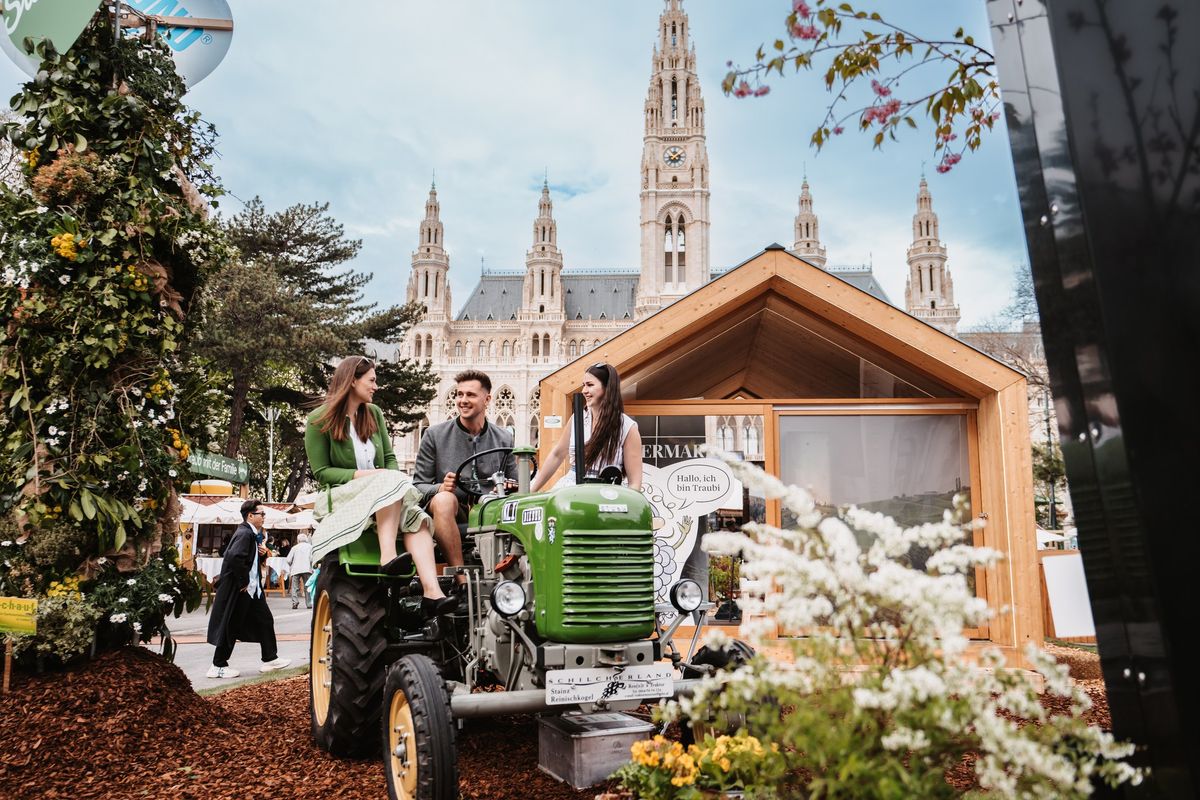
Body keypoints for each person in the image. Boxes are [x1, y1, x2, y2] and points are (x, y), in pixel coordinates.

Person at [304, 356, 457, 618]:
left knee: (417, 520)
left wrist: (389, 478)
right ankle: (388, 558)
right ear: (352, 380)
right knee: (388, 482)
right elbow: (323, 473)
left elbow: (389, 459)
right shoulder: (319, 420)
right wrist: (370, 476)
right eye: (372, 380)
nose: (376, 386)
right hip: (344, 493)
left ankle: (432, 593)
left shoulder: (373, 414)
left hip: (383, 493)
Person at [413, 370, 517, 586]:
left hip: (491, 511)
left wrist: (509, 487)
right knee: (443, 500)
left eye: (470, 395)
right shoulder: (434, 435)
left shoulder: (504, 438)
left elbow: (517, 487)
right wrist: (440, 488)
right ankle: (461, 582)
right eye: (459, 395)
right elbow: (418, 486)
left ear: (487, 399)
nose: (462, 400)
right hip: (453, 511)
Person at [205, 499, 292, 678]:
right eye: (262, 514)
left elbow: (245, 560)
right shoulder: (245, 533)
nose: (264, 517)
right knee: (231, 625)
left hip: (253, 590)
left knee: (265, 620)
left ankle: (270, 658)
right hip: (242, 589)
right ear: (250, 516)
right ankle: (217, 665)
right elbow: (234, 557)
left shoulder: (250, 534)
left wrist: (259, 556)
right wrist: (243, 581)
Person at [531, 362, 643, 492]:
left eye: (590, 385)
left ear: (607, 388)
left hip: (607, 491)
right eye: (583, 385)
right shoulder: (576, 419)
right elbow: (557, 455)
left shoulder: (627, 427)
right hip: (572, 487)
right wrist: (531, 491)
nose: (584, 391)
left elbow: (635, 483)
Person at [285, 532, 313, 609]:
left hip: (296, 569)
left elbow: (288, 560)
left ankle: (295, 602)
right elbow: (311, 559)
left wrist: (292, 564)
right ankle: (309, 603)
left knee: (295, 587)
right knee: (307, 586)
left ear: (298, 540)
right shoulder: (310, 547)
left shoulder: (294, 548)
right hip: (307, 569)